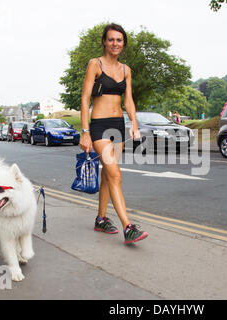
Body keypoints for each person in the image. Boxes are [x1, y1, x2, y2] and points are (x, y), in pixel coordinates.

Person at [79, 23, 148, 244]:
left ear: (123, 43)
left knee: (109, 176)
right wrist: (85, 132)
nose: (115, 43)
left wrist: (134, 123)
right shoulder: (95, 64)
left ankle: (101, 219)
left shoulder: (126, 70)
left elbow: (128, 100)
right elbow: (84, 99)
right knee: (116, 174)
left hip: (118, 125)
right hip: (99, 126)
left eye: (119, 40)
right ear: (104, 42)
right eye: (111, 39)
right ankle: (128, 227)